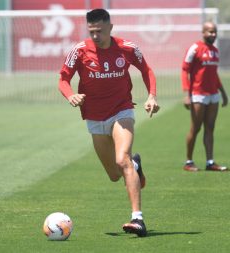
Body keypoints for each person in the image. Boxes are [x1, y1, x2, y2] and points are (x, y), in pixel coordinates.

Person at [58, 8, 160, 237]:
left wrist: (151, 95)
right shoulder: (79, 51)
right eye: (92, 31)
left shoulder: (128, 48)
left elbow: (146, 70)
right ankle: (136, 166)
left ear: (110, 28)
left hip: (121, 111)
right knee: (115, 175)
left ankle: (138, 219)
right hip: (94, 118)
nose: (96, 36)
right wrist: (70, 95)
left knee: (121, 159)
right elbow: (63, 79)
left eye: (100, 31)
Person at [181, 21, 229, 172]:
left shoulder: (215, 51)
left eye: (214, 31)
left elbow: (214, 74)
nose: (213, 34)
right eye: (209, 31)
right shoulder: (195, 48)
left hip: (213, 95)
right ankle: (188, 162)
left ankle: (210, 162)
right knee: (195, 128)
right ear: (203, 32)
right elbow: (184, 70)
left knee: (210, 128)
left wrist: (223, 92)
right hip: (198, 94)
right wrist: (186, 94)